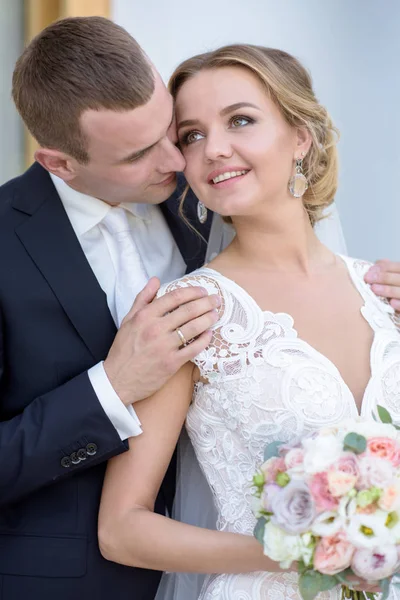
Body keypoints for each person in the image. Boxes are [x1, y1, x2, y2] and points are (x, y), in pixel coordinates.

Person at [98, 44, 400, 600]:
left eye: (241, 120)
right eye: (191, 134)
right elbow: (121, 530)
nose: (214, 149)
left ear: (301, 136)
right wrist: (303, 547)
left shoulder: (386, 295)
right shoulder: (191, 313)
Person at [0, 17, 220, 600]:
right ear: (59, 163)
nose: (176, 159)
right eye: (139, 153)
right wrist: (110, 387)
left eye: (169, 125)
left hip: (228, 567)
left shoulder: (216, 196)